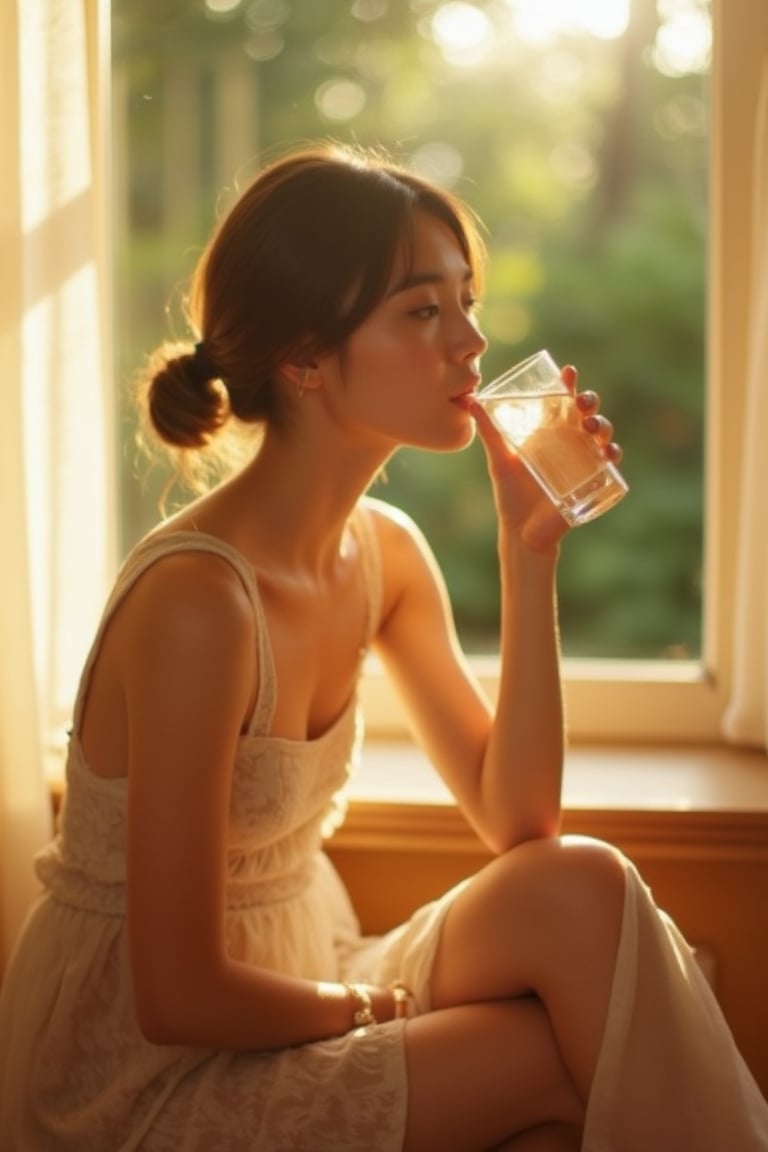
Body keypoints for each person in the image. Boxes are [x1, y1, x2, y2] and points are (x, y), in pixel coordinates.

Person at [0, 142, 766, 1152]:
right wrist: (392, 1014)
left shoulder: (386, 555)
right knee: (563, 1060)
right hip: (153, 1067)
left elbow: (519, 822)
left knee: (582, 884)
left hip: (302, 965)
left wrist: (527, 550)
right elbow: (177, 996)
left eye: (466, 300)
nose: (472, 341)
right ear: (305, 357)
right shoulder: (199, 602)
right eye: (424, 310)